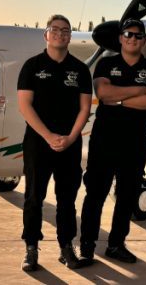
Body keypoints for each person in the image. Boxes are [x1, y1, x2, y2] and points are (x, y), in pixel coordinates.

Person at [80, 19, 146, 264]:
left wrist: (118, 98)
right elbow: (103, 94)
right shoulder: (106, 64)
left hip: (135, 142)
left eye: (138, 35)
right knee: (95, 193)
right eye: (128, 34)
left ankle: (116, 244)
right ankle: (87, 244)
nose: (132, 38)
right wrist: (139, 90)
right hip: (104, 140)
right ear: (120, 38)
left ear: (144, 39)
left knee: (127, 195)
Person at [17, 14, 92, 271]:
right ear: (46, 34)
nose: (60, 33)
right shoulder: (32, 66)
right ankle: (31, 248)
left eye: (66, 30)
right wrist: (48, 136)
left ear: (70, 36)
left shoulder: (80, 70)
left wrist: (71, 137)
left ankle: (66, 247)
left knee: (67, 199)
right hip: (38, 143)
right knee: (34, 197)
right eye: (55, 29)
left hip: (69, 144)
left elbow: (85, 108)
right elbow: (24, 105)